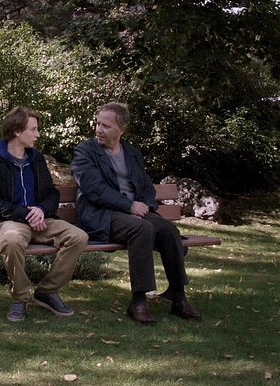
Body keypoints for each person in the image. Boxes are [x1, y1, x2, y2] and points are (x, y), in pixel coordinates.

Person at [71, 102, 201, 324]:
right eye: (98, 123)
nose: (99, 129)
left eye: (106, 126)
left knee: (168, 230)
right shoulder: (86, 151)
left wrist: (145, 207)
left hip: (134, 214)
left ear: (121, 129)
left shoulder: (132, 153)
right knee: (141, 229)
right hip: (102, 215)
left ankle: (178, 295)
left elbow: (147, 188)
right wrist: (129, 206)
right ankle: (139, 301)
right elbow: (94, 189)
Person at [0, 106, 88, 322]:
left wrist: (41, 210)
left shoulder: (36, 158)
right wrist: (26, 214)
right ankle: (20, 297)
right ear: (17, 131)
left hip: (42, 219)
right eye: (33, 129)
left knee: (78, 237)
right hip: (11, 220)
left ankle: (47, 291)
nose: (37, 134)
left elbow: (51, 193)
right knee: (11, 241)